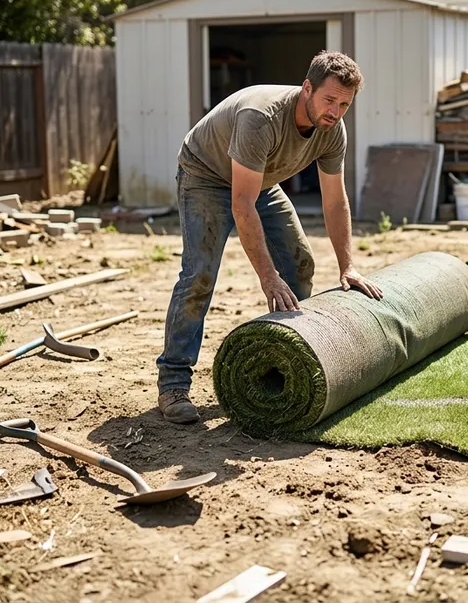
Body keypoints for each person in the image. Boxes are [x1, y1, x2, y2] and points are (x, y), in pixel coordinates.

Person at [156, 50, 384, 424]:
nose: (336, 111)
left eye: (345, 104)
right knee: (200, 275)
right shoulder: (261, 118)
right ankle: (173, 384)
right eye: (329, 100)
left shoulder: (332, 131)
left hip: (259, 182)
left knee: (300, 264)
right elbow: (242, 204)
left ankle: (291, 358)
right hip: (206, 175)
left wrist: (348, 266)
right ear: (307, 88)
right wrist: (267, 276)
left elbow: (334, 200)